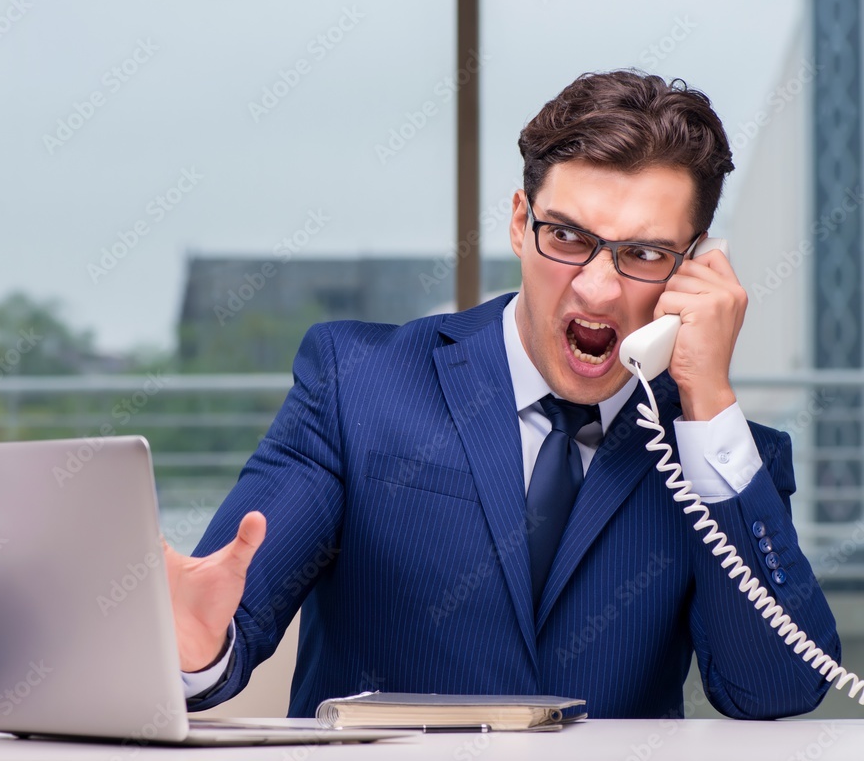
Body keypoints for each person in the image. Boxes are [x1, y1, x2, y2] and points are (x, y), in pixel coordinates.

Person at [163, 70, 840, 719]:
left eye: (644, 254)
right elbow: (222, 619)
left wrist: (711, 405)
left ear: (694, 267)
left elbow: (775, 688)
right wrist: (194, 649)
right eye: (568, 236)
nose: (598, 289)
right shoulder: (357, 384)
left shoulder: (709, 450)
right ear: (521, 224)